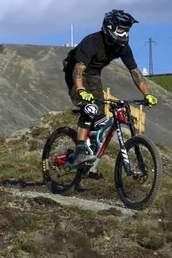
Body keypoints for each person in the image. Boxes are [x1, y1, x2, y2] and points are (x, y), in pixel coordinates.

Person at [62, 9, 158, 167]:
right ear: (110, 27)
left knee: (100, 120)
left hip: (93, 75)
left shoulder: (122, 47)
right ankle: (79, 153)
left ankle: (90, 160)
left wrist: (147, 94)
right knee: (90, 108)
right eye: (121, 29)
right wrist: (80, 90)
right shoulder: (93, 41)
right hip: (75, 72)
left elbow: (135, 72)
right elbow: (78, 69)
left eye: (127, 30)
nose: (124, 33)